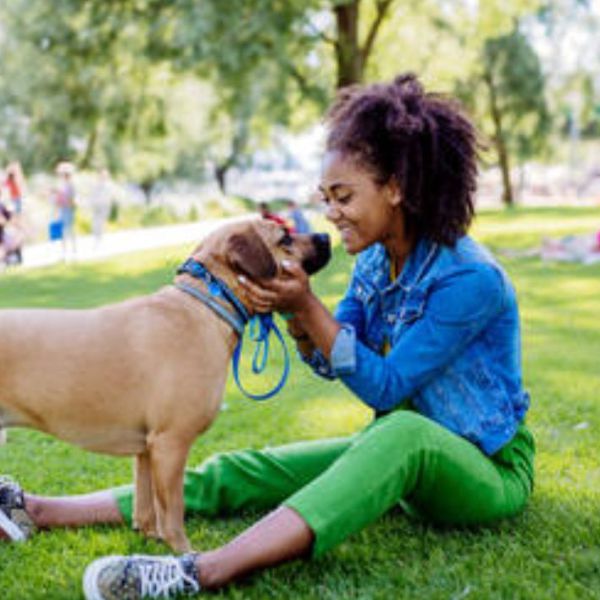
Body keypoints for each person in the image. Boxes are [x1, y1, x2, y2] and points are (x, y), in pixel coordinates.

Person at [0, 74, 534, 600]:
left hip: (482, 468)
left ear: (395, 187)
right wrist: (295, 319)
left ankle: (199, 571)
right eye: (326, 197)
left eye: (343, 196)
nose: (331, 214)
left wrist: (305, 304)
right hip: (396, 459)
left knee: (401, 432)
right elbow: (332, 355)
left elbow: (387, 387)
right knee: (244, 469)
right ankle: (37, 509)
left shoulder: (470, 279)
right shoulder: (376, 261)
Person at [53, 161, 77, 259]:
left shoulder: (70, 185)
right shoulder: (62, 184)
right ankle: (64, 250)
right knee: (64, 230)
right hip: (63, 208)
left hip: (68, 209)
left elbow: (71, 198)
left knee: (69, 229)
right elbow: (59, 197)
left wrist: (64, 199)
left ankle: (73, 249)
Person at [89, 168, 112, 248]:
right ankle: (96, 238)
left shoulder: (108, 185)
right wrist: (92, 204)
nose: (103, 176)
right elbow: (92, 196)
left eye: (104, 175)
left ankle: (99, 240)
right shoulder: (96, 185)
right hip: (96, 206)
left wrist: (108, 207)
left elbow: (108, 198)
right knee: (95, 224)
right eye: (101, 175)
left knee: (101, 224)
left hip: (104, 207)